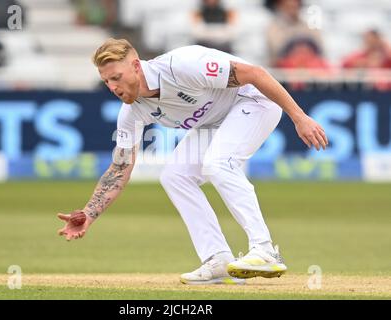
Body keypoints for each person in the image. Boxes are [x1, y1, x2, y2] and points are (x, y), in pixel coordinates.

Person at [57, 38, 328, 285]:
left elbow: (255, 74)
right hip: (214, 121)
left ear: (136, 66)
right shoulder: (131, 112)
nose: (113, 87)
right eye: (106, 81)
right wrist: (89, 214)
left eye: (116, 77)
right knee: (174, 176)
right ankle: (218, 259)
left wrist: (299, 117)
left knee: (218, 163)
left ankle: (265, 250)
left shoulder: (181, 67)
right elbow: (120, 168)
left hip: (254, 99)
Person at [266, 0, 324, 67]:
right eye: (288, 6)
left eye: (295, 3)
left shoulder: (310, 26)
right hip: (283, 73)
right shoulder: (273, 28)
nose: (293, 6)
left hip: (311, 71)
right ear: (280, 6)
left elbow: (320, 51)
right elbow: (277, 53)